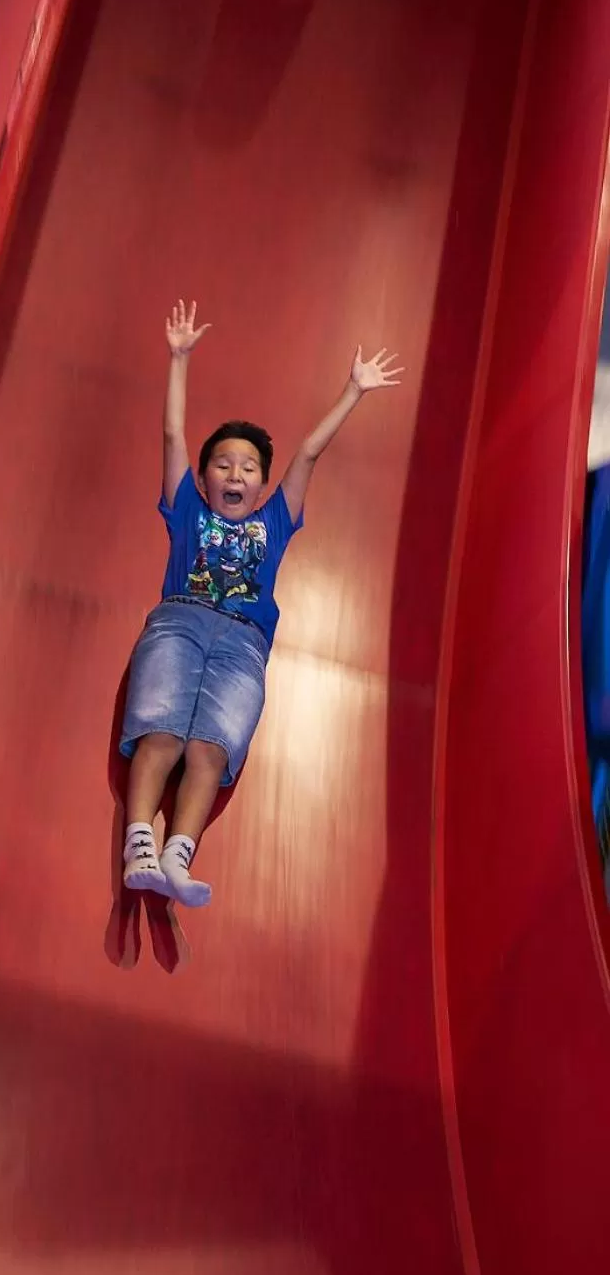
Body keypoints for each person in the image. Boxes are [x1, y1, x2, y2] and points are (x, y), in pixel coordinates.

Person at [121, 300, 403, 907]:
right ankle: (139, 842)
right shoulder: (187, 511)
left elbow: (306, 456)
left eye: (248, 467)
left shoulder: (275, 521)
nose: (235, 472)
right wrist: (178, 359)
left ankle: (178, 854)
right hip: (179, 622)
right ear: (202, 480)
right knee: (162, 734)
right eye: (222, 463)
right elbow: (172, 434)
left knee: (210, 749)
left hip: (245, 644)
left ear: (261, 485)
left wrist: (353, 391)